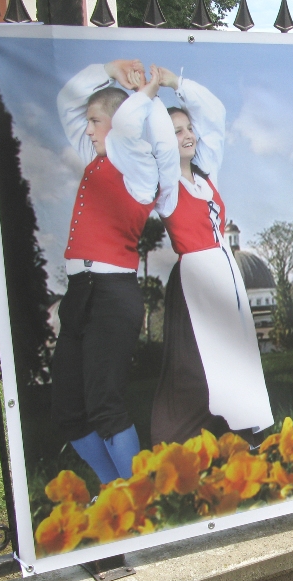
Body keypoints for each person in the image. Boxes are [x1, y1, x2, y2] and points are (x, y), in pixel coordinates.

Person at [52, 61, 178, 484]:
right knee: (69, 410)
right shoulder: (95, 156)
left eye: (94, 121)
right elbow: (67, 101)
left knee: (105, 405)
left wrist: (144, 94)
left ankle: (141, 502)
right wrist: (108, 70)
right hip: (80, 291)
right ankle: (113, 490)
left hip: (112, 294)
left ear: (116, 121)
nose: (87, 129)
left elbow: (124, 127)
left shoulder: (140, 168)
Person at [149, 67, 273, 446]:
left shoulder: (205, 177)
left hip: (225, 272)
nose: (188, 135)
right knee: (197, 361)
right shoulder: (167, 187)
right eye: (176, 132)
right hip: (195, 279)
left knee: (235, 353)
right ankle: (185, 440)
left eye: (188, 128)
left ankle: (246, 431)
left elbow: (215, 115)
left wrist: (176, 83)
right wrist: (151, 96)